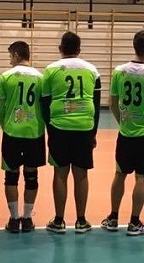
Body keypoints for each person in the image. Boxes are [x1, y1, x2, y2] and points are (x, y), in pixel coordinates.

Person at [101, 30, 144, 236]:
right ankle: (134, 222)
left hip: (126, 133)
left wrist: (123, 122)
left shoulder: (119, 71)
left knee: (120, 174)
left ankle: (113, 218)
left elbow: (113, 103)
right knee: (141, 177)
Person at [42, 32, 101, 234]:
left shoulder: (50, 70)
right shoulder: (92, 70)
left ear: (60, 49)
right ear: (79, 49)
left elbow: (45, 102)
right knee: (81, 174)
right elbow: (96, 104)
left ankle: (59, 220)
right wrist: (93, 132)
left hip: (59, 126)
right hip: (84, 126)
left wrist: (50, 128)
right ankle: (81, 220)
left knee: (60, 173)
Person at [0, 41, 45, 233]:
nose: (10, 60)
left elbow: (0, 108)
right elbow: (44, 106)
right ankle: (27, 218)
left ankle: (14, 219)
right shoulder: (40, 78)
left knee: (11, 177)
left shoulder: (6, 77)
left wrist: (6, 126)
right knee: (31, 177)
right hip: (34, 132)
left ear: (17, 55)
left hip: (12, 132)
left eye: (10, 56)